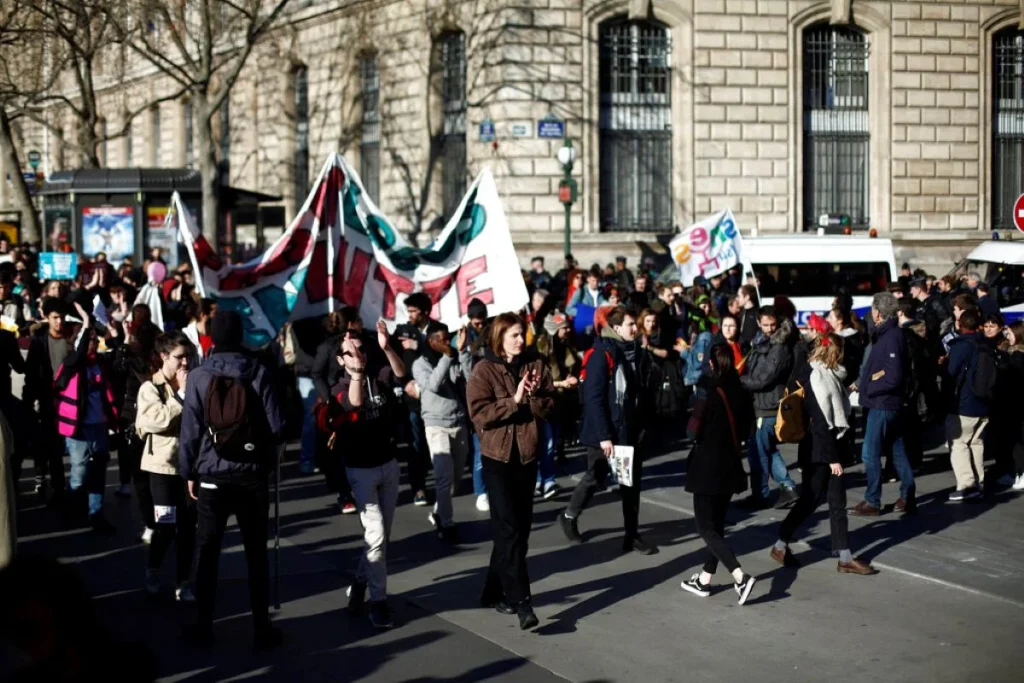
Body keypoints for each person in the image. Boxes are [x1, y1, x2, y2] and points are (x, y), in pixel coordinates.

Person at [179, 309, 284, 649]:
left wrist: (188, 472)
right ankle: (261, 627)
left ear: (212, 337)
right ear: (240, 336)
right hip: (252, 476)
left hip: (212, 475)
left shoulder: (198, 376)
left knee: (208, 551)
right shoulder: (260, 372)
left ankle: (203, 623)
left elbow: (190, 431)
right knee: (256, 553)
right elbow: (277, 427)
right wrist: (267, 463)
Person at [466, 313, 553, 631]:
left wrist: (532, 398)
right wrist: (513, 400)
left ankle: (491, 590)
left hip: (527, 457)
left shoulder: (537, 364)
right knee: (509, 529)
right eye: (515, 335)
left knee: (518, 532)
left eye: (523, 334)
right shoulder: (484, 369)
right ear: (499, 338)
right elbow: (479, 415)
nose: (521, 340)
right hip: (497, 458)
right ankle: (522, 602)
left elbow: (550, 405)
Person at [771, 333, 878, 575]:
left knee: (830, 501)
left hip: (822, 448)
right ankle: (782, 544)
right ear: (833, 353)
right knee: (815, 499)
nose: (843, 358)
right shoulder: (818, 379)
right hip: (821, 450)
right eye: (840, 353)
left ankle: (843, 556)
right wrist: (833, 460)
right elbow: (821, 424)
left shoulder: (826, 375)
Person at [560, 307, 657, 555]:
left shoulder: (636, 353)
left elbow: (642, 390)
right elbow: (594, 398)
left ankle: (632, 535)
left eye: (635, 324)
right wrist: (604, 436)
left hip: (629, 430)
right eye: (629, 324)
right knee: (595, 476)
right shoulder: (601, 354)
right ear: (615, 328)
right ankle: (570, 515)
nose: (634, 328)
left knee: (630, 484)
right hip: (606, 432)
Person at [332, 323, 407, 629]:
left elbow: (401, 374)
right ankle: (379, 602)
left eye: (361, 350)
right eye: (350, 353)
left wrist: (387, 347)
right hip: (360, 470)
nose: (358, 356)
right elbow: (355, 403)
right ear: (341, 359)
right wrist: (357, 374)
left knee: (380, 540)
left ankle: (360, 586)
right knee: (374, 537)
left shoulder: (379, 374)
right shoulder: (339, 385)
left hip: (388, 464)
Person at [678, 344, 758, 604]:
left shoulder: (709, 393)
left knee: (706, 527)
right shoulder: (742, 392)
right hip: (730, 466)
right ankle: (704, 580)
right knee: (718, 526)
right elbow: (748, 430)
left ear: (712, 364)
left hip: (706, 467)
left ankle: (740, 577)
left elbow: (692, 431)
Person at [136, 332, 197, 602]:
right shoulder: (151, 387)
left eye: (188, 356)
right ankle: (153, 569)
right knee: (165, 525)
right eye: (179, 357)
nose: (185, 362)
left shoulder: (194, 383)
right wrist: (180, 396)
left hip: (189, 469)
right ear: (164, 357)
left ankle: (183, 582)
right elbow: (154, 421)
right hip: (161, 468)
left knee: (188, 529)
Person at [849, 292, 916, 516]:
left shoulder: (891, 337)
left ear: (878, 313)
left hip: (883, 404)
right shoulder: (887, 334)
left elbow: (892, 376)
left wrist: (870, 386)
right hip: (885, 402)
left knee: (870, 453)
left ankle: (873, 500)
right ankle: (908, 494)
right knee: (897, 451)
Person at [54, 302, 119, 532]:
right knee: (79, 474)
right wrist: (86, 322)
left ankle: (96, 515)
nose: (93, 343)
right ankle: (73, 511)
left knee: (98, 473)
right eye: (90, 339)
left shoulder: (100, 364)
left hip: (99, 427)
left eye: (94, 340)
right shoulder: (71, 365)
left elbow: (117, 354)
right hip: (79, 430)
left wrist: (113, 330)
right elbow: (79, 353)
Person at [413, 324, 472, 543]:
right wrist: (447, 358)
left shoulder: (455, 355)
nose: (449, 343)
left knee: (455, 479)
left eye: (450, 339)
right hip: (436, 424)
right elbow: (434, 385)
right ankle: (447, 524)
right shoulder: (420, 364)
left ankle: (439, 511)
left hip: (458, 421)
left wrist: (464, 351)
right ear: (432, 341)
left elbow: (471, 377)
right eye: (444, 339)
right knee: (443, 478)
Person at [738, 306, 799, 509]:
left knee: (759, 454)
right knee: (767, 450)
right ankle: (788, 488)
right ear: (758, 323)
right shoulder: (761, 341)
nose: (770, 329)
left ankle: (761, 494)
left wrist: (737, 381)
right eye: (765, 325)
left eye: (773, 324)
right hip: (760, 403)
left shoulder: (779, 345)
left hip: (768, 405)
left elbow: (763, 378)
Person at [112, 320, 159, 541]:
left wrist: (123, 343)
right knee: (156, 477)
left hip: (135, 421)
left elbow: (116, 371)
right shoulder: (157, 362)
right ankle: (158, 520)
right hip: (149, 422)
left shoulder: (131, 359)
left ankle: (151, 523)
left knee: (141, 479)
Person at [23, 297, 69, 498]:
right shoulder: (39, 342)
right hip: (47, 400)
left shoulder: (71, 340)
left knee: (62, 448)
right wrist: (27, 402)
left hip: (70, 402)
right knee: (48, 445)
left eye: (62, 317)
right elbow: (31, 374)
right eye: (55, 318)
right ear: (47, 318)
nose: (59, 322)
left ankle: (61, 487)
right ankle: (46, 481)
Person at [944, 310, 989, 502]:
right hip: (985, 400)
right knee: (976, 443)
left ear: (960, 324)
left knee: (958, 443)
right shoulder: (986, 344)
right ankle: (979, 481)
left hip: (964, 403)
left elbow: (951, 373)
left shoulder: (961, 346)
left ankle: (967, 485)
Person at [533, 312, 578, 498]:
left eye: (568, 327)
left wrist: (569, 377)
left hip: (559, 401)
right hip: (542, 402)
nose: (567, 330)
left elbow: (568, 365)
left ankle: (545, 480)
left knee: (551, 441)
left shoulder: (565, 346)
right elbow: (539, 379)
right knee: (544, 443)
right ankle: (544, 480)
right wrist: (561, 384)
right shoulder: (542, 346)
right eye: (563, 328)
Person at [1002, 322, 1024, 491]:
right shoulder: (1011, 353)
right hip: (1014, 403)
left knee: (1019, 442)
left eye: (1009, 333)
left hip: (1017, 404)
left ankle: (1021, 473)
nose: (1007, 336)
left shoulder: (1017, 356)